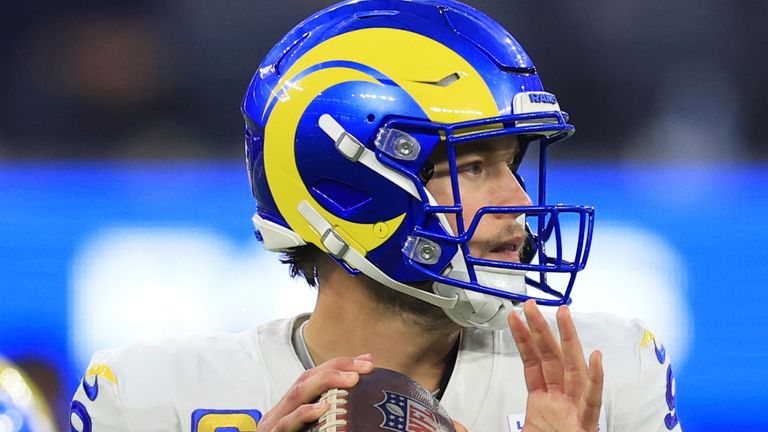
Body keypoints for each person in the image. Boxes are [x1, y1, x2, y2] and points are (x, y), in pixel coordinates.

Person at [71, 1, 681, 431]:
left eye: (512, 164)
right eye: (470, 167)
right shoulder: (154, 400)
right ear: (349, 190)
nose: (518, 201)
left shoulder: (606, 375)